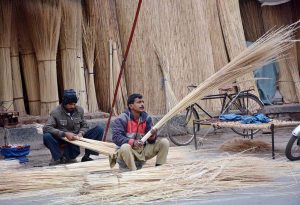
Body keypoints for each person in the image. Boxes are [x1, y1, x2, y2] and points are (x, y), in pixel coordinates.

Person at [43, 89, 103, 166]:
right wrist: (64, 134)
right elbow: (46, 127)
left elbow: (85, 125)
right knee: (47, 136)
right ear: (64, 103)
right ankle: (57, 157)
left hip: (77, 136)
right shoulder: (56, 112)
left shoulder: (79, 110)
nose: (73, 106)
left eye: (74, 104)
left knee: (99, 130)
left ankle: (87, 156)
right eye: (70, 104)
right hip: (63, 138)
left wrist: (81, 133)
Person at [111, 93, 169, 171]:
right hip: (127, 154)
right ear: (131, 106)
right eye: (139, 102)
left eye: (142, 102)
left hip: (141, 152)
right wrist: (132, 142)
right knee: (125, 147)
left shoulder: (146, 118)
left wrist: (152, 136)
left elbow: (151, 142)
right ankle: (134, 172)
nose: (142, 104)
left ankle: (160, 169)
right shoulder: (122, 119)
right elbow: (116, 137)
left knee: (164, 142)